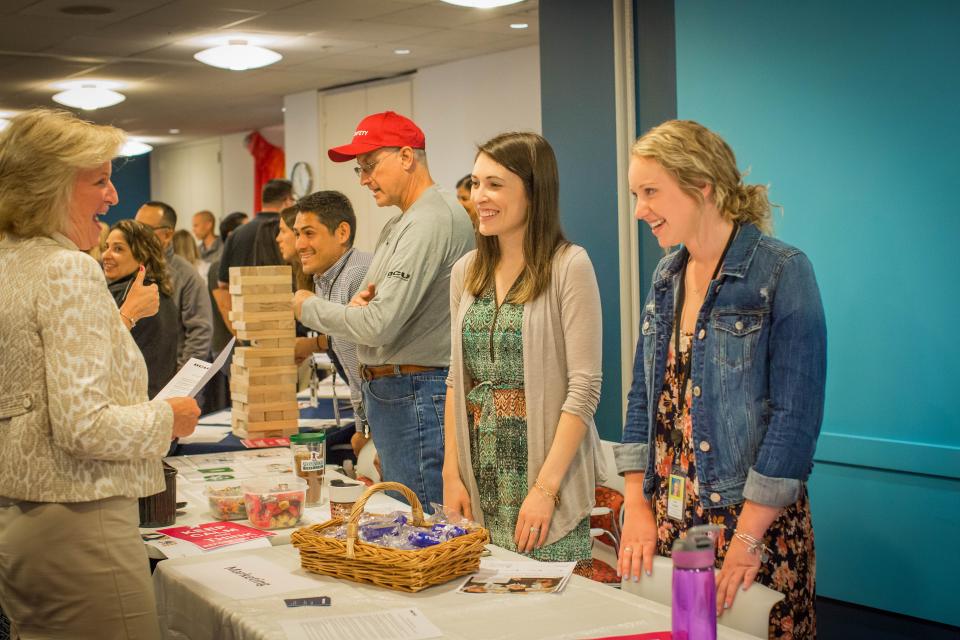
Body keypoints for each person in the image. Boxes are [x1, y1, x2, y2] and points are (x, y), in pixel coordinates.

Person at [615, 120, 826, 638]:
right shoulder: (667, 274)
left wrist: (748, 538)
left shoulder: (781, 271)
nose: (639, 209)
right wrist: (637, 504)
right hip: (670, 514)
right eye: (635, 194)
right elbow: (645, 396)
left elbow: (794, 420)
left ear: (701, 186)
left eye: (650, 192)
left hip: (750, 521)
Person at [0, 108, 200, 639]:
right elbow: (83, 426)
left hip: (23, 520)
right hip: (79, 523)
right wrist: (168, 417)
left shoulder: (11, 260)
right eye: (101, 180)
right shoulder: (68, 267)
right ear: (52, 187)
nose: (113, 198)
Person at [442, 132, 604, 576]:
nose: (480, 197)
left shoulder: (569, 265)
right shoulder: (465, 272)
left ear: (534, 191)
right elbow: (458, 379)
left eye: (495, 184)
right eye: (475, 184)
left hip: (544, 472)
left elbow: (585, 386)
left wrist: (545, 489)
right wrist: (451, 475)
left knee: (550, 610)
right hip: (481, 472)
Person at [293, 111, 474, 508]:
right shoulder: (402, 223)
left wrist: (308, 306)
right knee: (409, 519)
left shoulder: (430, 221)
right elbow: (367, 304)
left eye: (370, 166)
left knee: (422, 525)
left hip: (415, 393)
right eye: (360, 168)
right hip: (397, 396)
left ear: (407, 157)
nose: (363, 179)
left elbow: (374, 323)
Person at [293, 190, 373, 444]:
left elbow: (370, 370)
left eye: (309, 233)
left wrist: (366, 433)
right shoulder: (326, 279)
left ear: (342, 233)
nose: (299, 244)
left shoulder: (357, 274)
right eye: (297, 234)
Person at [103, 219, 179, 398]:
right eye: (107, 247)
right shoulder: (162, 291)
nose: (106, 255)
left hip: (133, 402)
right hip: (159, 397)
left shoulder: (122, 295)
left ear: (141, 255)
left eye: (118, 249)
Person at [136, 201, 213, 368]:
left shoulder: (186, 276)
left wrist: (181, 381)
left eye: (145, 229)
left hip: (170, 380)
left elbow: (200, 334)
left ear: (168, 235)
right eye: (135, 227)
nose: (137, 234)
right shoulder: (128, 268)